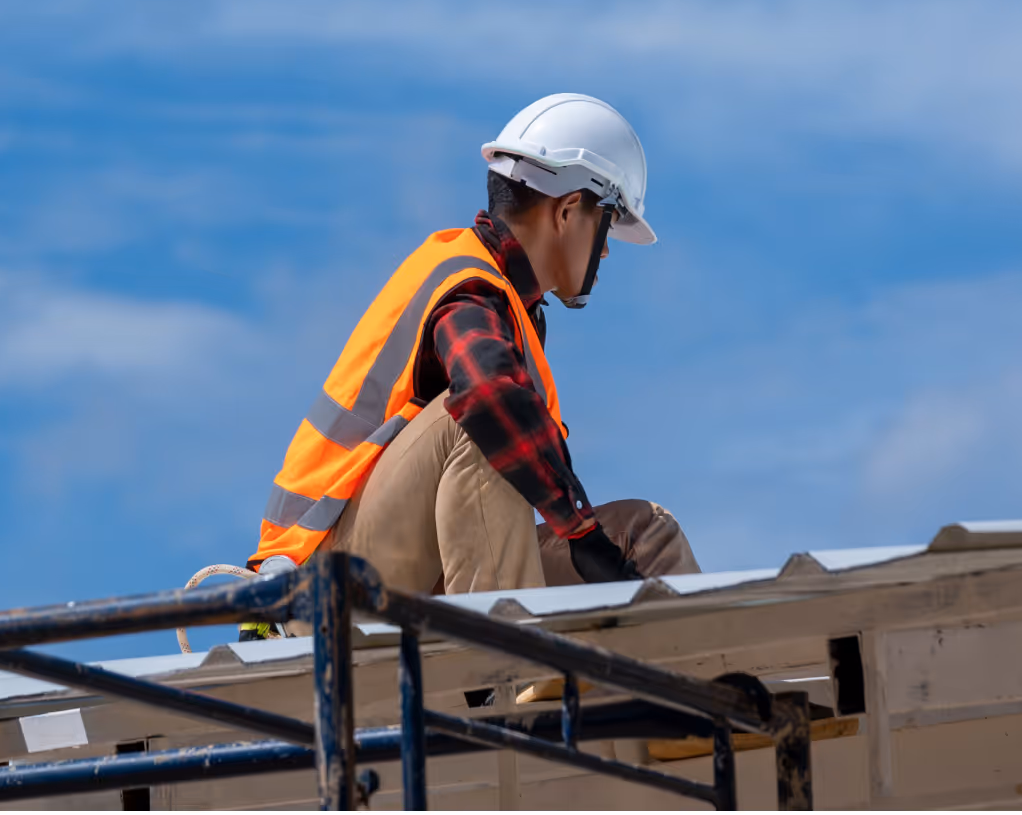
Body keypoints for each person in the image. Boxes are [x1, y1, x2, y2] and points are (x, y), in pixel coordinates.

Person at [246, 93, 700, 603]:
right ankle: (507, 675)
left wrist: (589, 539)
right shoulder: (468, 286)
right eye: (608, 222)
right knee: (491, 419)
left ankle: (717, 673)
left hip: (426, 568)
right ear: (569, 210)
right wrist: (579, 532)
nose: (608, 248)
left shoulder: (511, 309)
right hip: (326, 584)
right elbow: (488, 400)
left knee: (644, 538)